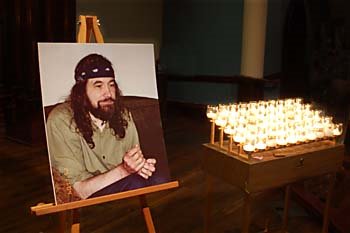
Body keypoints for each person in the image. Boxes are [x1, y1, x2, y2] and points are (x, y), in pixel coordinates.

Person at [46, 53, 157, 200]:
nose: (108, 93)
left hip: (120, 185)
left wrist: (141, 166)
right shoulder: (61, 120)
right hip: (86, 197)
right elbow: (75, 192)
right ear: (81, 91)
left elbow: (134, 158)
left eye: (111, 85)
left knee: (157, 180)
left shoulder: (123, 115)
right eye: (98, 85)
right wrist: (125, 170)